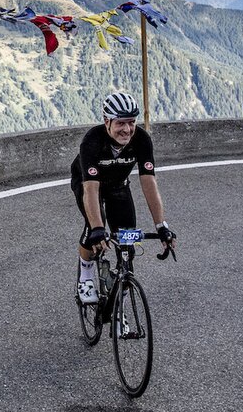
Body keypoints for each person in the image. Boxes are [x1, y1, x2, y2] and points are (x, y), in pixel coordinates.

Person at [72, 91, 176, 304]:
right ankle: (86, 274)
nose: (127, 129)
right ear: (107, 121)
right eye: (121, 123)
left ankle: (118, 305)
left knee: (128, 239)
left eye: (132, 122)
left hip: (119, 185)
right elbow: (91, 190)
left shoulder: (141, 139)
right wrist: (98, 228)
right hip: (90, 185)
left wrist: (161, 226)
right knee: (93, 230)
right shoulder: (92, 141)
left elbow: (149, 182)